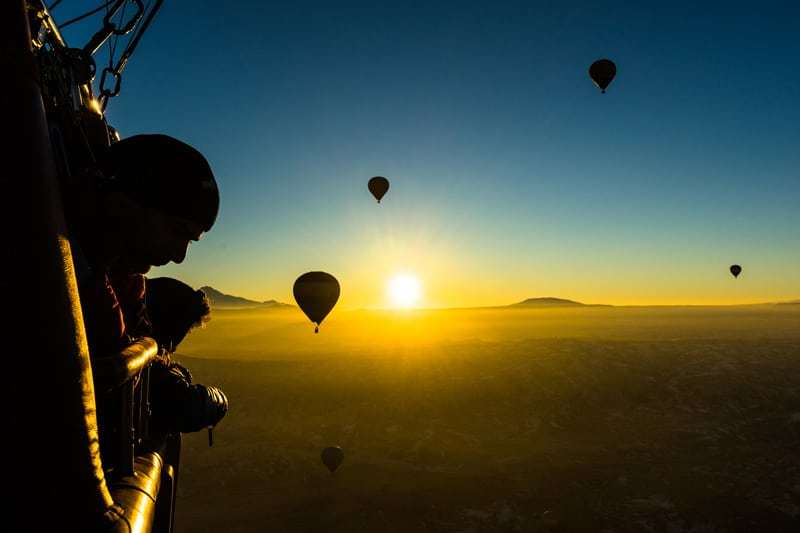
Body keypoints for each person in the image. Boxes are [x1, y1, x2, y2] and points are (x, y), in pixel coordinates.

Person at [64, 134, 227, 453]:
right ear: (123, 203)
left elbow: (134, 341)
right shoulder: (60, 265)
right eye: (177, 231)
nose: (179, 256)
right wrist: (183, 398)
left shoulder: (120, 278)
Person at [145, 277, 227, 434]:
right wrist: (217, 402)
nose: (182, 337)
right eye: (187, 329)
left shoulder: (142, 349)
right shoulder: (144, 360)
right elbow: (185, 407)